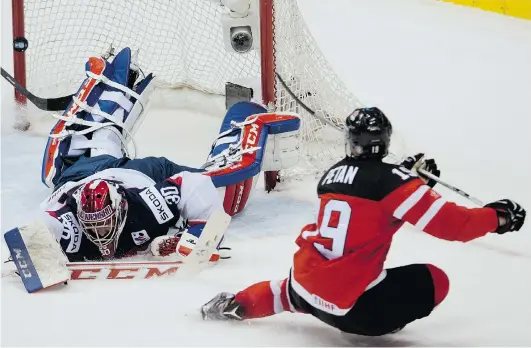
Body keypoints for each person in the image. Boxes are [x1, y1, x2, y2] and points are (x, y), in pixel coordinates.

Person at [200, 107, 527, 336]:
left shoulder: (330, 176)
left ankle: (237, 303)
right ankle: (383, 320)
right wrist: (497, 217)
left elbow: (369, 205)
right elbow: (453, 226)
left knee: (290, 290)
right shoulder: (392, 182)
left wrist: (411, 182)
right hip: (357, 309)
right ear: (384, 140)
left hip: (306, 282)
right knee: (435, 279)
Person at [38, 47, 301, 262]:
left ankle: (243, 115)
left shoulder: (152, 200)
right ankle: (110, 86)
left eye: (104, 224)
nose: (99, 234)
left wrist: (195, 236)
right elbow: (33, 238)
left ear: (120, 209)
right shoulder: (66, 221)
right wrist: (32, 253)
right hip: (81, 179)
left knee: (228, 193)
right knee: (82, 157)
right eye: (93, 226)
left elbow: (197, 188)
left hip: (138, 174)